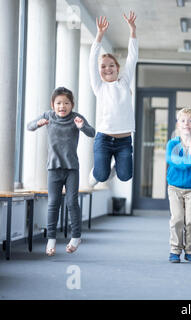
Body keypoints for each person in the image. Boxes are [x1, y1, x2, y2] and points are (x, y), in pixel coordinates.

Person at [27, 87, 95, 256]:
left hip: (72, 168)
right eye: (58, 103)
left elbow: (92, 132)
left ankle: (76, 236)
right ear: (53, 104)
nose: (62, 106)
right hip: (54, 168)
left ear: (72, 104)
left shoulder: (76, 118)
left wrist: (82, 127)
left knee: (72, 202)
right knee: (53, 204)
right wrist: (38, 123)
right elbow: (29, 126)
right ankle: (51, 239)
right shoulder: (48, 116)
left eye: (66, 103)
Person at [88, 12, 138, 187]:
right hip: (104, 139)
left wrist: (132, 31)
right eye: (103, 66)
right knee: (100, 177)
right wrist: (99, 36)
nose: (107, 69)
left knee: (125, 176)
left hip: (124, 140)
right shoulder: (99, 87)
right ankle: (99, 170)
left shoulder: (124, 83)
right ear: (99, 71)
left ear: (117, 68)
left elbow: (132, 58)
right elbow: (91, 60)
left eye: (111, 65)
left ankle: (117, 164)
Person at [166, 108, 191, 264]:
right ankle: (175, 250)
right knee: (177, 219)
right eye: (183, 120)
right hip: (174, 188)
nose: (186, 124)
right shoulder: (172, 144)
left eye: (190, 121)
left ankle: (190, 251)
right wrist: (190, 158)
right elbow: (173, 161)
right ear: (178, 124)